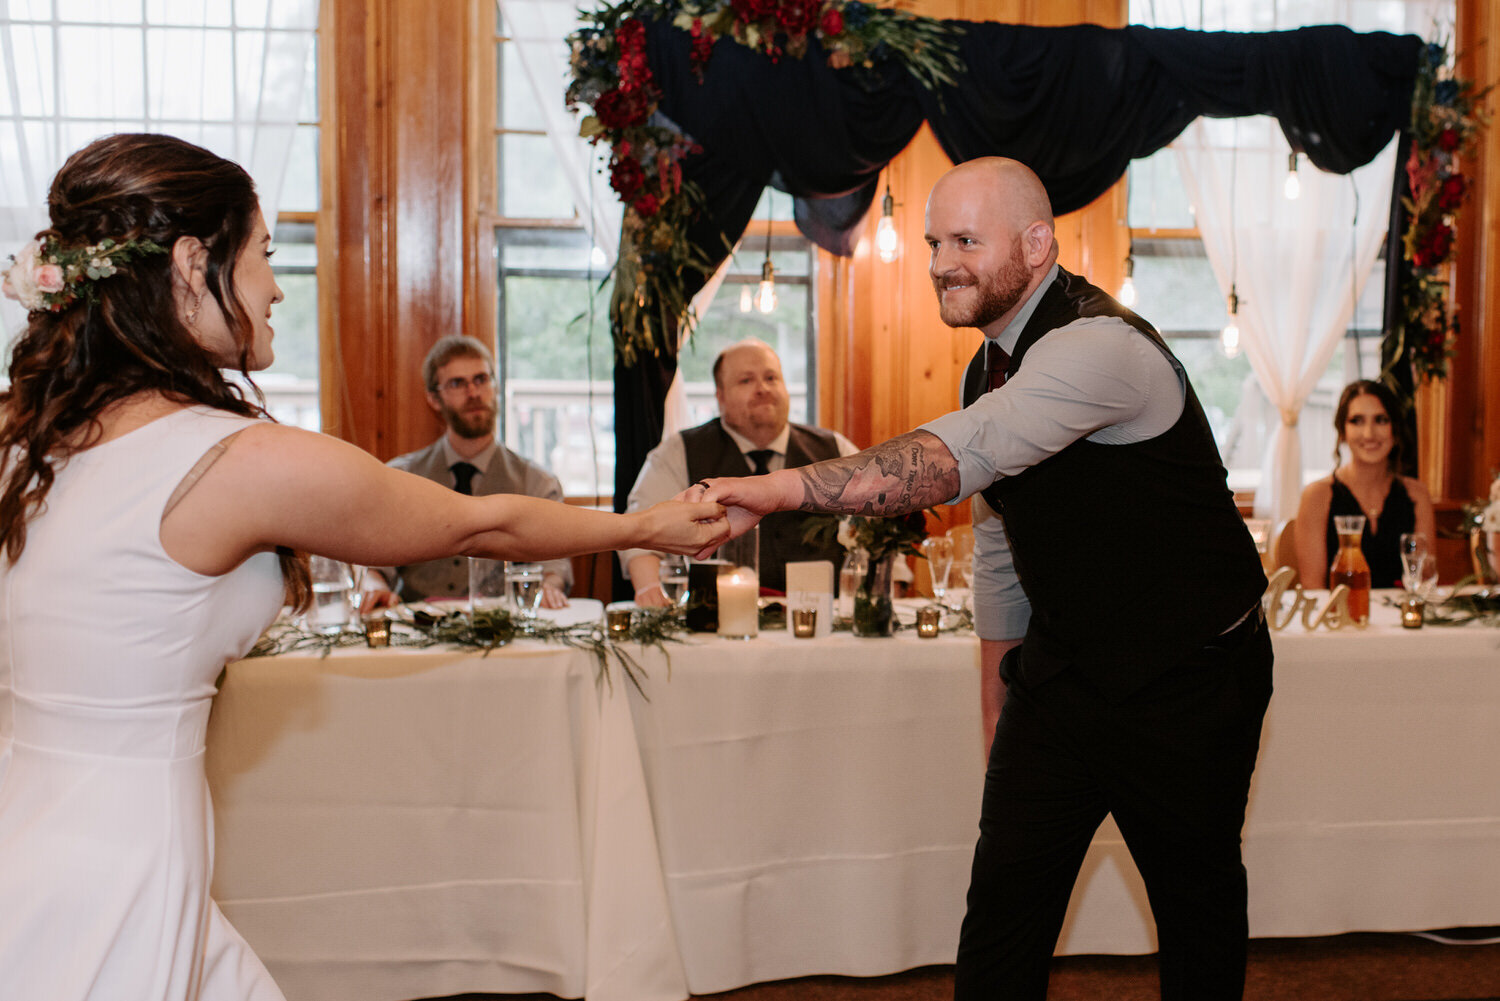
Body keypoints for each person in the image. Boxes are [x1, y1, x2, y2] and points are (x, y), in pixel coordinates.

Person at [0, 133, 726, 1001]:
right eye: (264, 254)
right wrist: (646, 525)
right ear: (194, 265)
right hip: (122, 851)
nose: (275, 286)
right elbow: (473, 525)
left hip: (28, 810)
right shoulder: (231, 458)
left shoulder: (23, 434)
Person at [692, 157, 1271, 1000]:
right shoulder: (987, 366)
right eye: (934, 241)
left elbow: (963, 455)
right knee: (1002, 907)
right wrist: (1001, 691)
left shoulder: (1104, 349)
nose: (938, 263)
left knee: (1196, 910)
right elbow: (1002, 534)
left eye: (965, 240)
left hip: (1192, 677)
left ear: (1038, 245)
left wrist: (775, 490)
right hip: (1062, 676)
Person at [621, 337, 857, 600]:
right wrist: (650, 589)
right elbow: (642, 532)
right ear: (720, 396)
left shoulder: (835, 449)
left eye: (771, 378)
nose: (762, 389)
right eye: (746, 380)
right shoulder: (678, 452)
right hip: (716, 621)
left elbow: (879, 531)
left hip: (823, 620)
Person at [363, 335, 573, 609]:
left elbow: (555, 567)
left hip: (503, 630)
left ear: (495, 387)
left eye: (481, 379)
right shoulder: (400, 478)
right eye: (458, 383)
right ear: (434, 399)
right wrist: (375, 586)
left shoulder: (537, 482)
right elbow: (373, 563)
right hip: (421, 629)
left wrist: (548, 586)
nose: (473, 393)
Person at [1294, 379, 1435, 589]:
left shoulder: (1417, 494)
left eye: (1381, 420)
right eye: (1357, 421)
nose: (1369, 434)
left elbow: (1424, 580)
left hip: (1402, 618)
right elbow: (1314, 589)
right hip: (1338, 619)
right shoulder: (1317, 496)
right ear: (1342, 431)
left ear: (1395, 430)